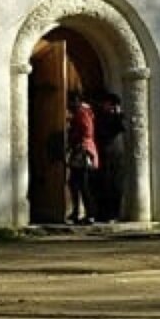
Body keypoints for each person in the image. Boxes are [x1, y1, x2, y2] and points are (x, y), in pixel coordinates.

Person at [66, 91, 98, 225]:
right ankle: (76, 212)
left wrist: (73, 134)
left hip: (83, 151)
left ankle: (90, 214)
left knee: (83, 184)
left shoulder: (83, 113)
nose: (69, 104)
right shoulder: (80, 112)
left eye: (71, 101)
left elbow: (87, 131)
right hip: (79, 150)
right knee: (73, 183)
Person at [94, 92, 126, 222]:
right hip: (104, 155)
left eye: (107, 103)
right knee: (103, 185)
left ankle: (113, 214)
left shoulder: (118, 118)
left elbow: (118, 129)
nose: (104, 105)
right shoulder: (101, 117)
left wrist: (118, 114)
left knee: (115, 186)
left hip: (115, 156)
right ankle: (103, 213)